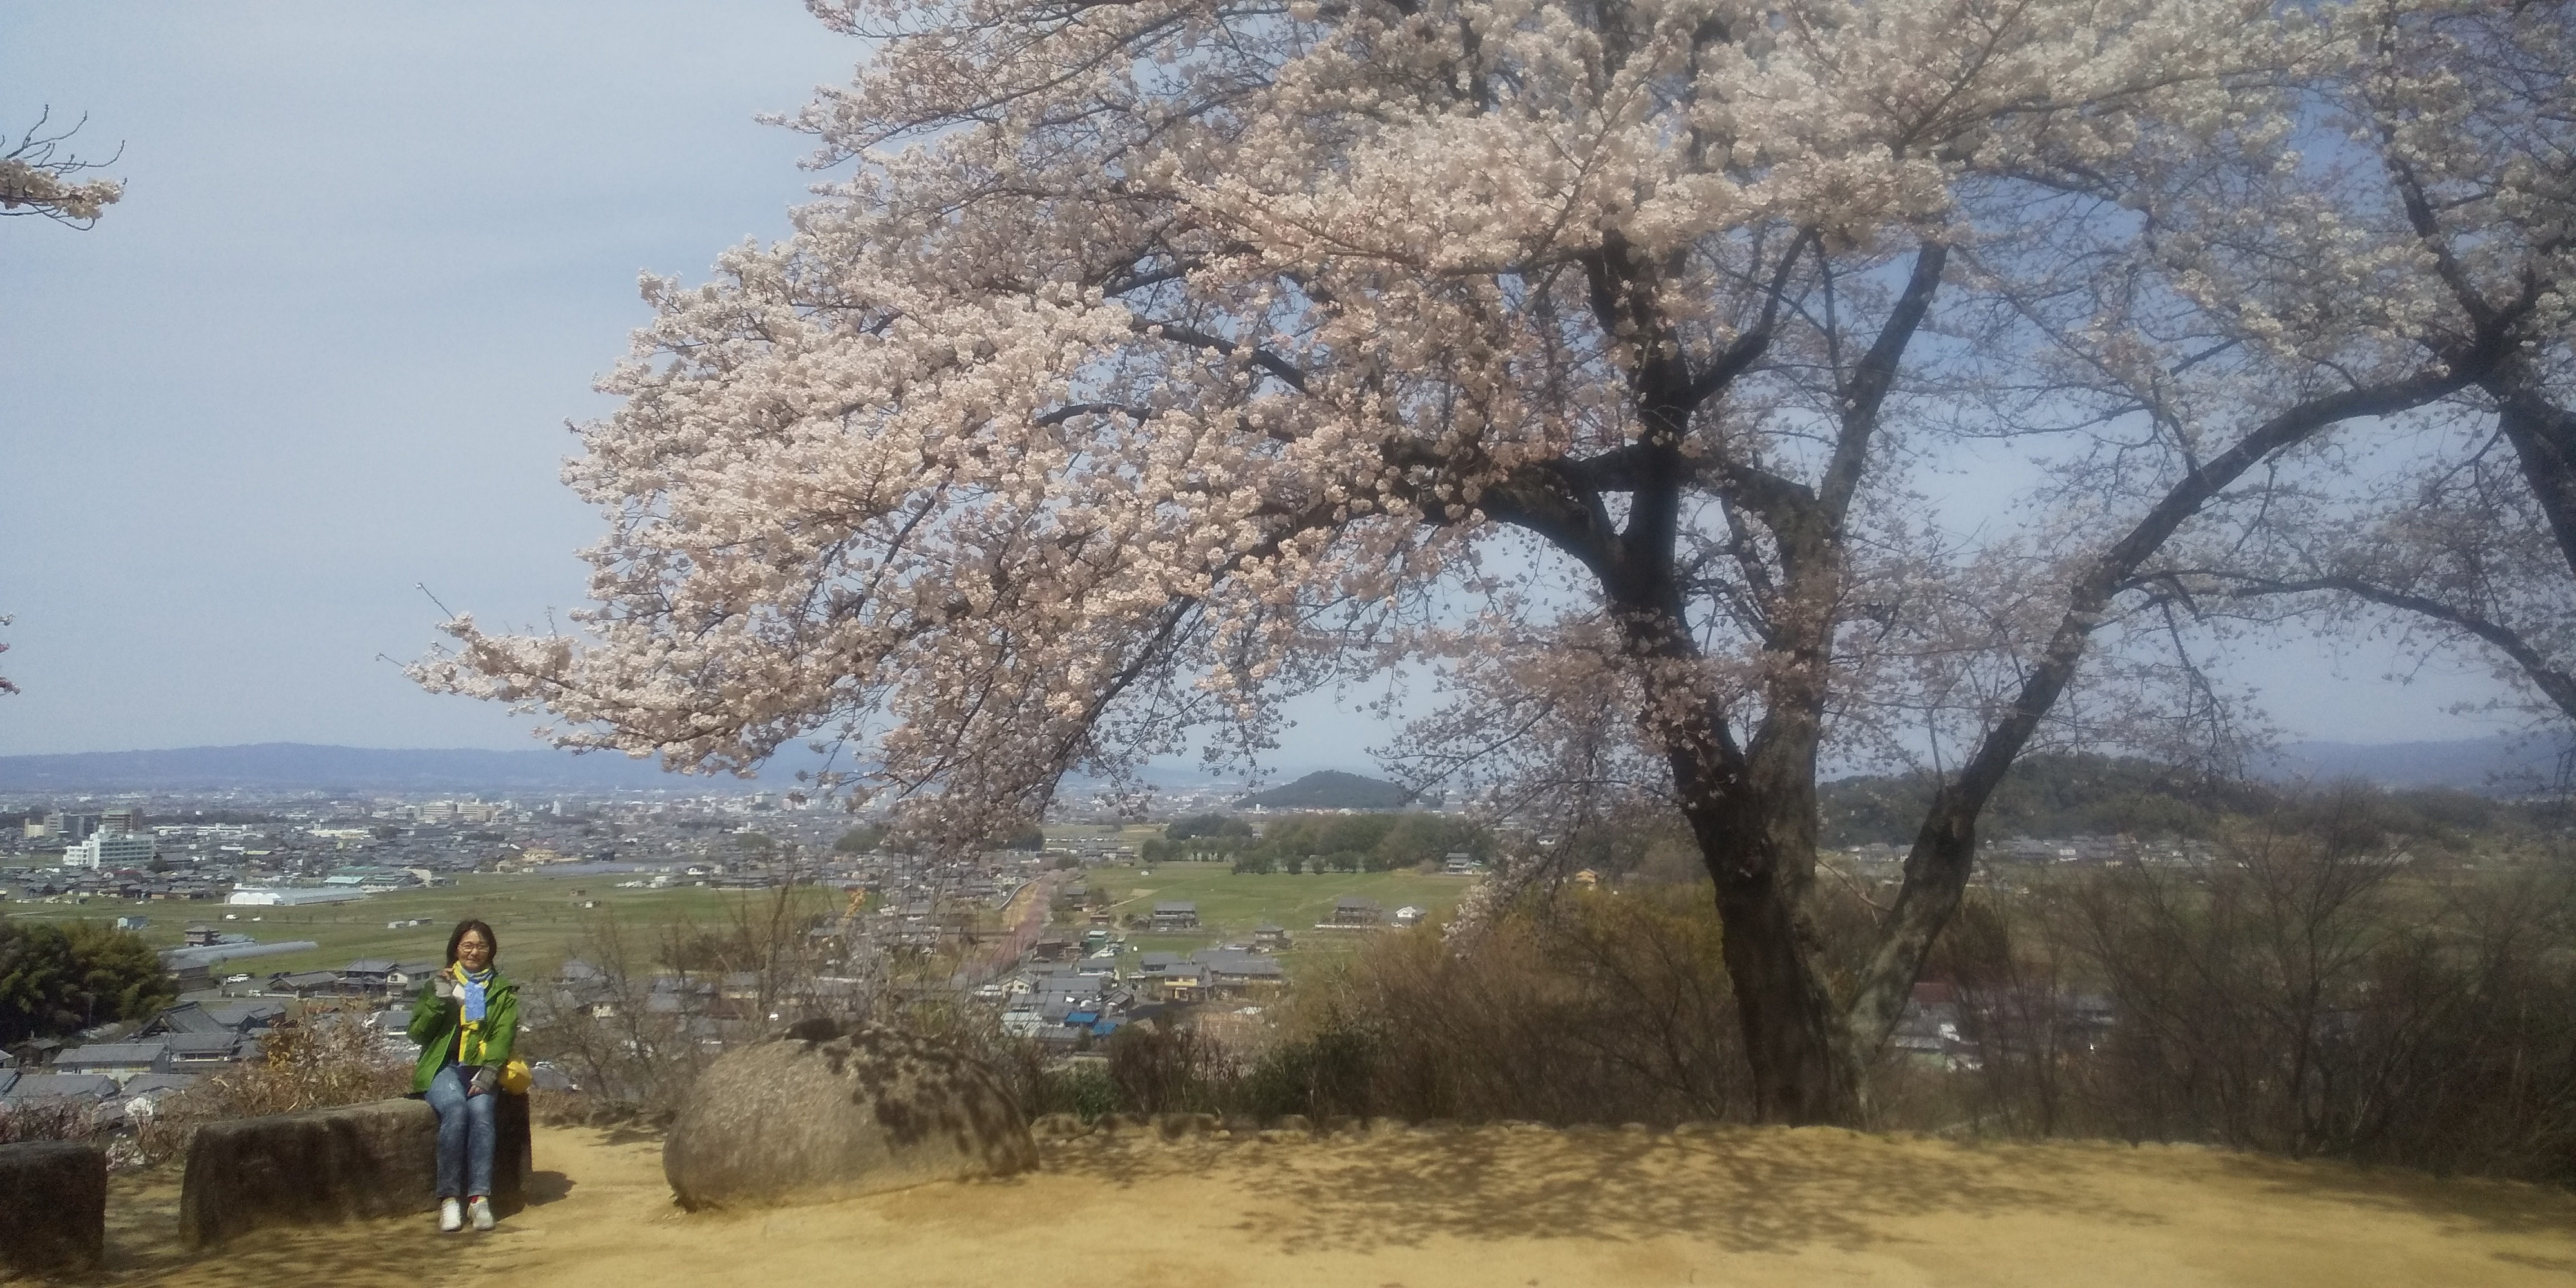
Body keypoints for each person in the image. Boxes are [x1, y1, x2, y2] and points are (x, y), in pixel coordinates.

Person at [408, 918, 517, 1233]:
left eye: (481, 946)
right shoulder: (439, 983)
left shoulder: (501, 989)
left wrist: (490, 1072)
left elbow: (502, 1033)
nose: (474, 952)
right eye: (467, 945)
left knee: (482, 1113)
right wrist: (438, 1001)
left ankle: (479, 1199)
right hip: (444, 1067)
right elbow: (417, 1034)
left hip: (482, 1068)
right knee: (455, 1110)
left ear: (491, 950)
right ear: (456, 948)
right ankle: (449, 1199)